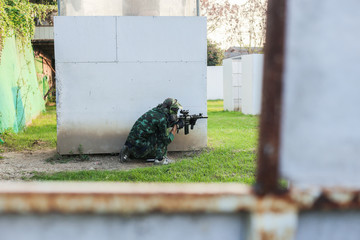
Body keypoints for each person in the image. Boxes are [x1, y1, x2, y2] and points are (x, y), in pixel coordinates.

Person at [119, 98, 182, 165]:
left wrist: (172, 122)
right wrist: (176, 127)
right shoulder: (162, 119)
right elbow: (166, 140)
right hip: (140, 150)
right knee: (162, 136)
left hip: (132, 145)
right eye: (175, 110)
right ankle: (160, 160)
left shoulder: (155, 111)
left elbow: (160, 124)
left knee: (157, 132)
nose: (176, 112)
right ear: (170, 109)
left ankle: (127, 151)